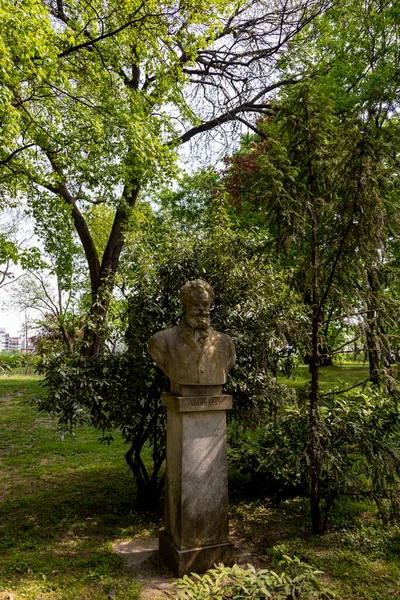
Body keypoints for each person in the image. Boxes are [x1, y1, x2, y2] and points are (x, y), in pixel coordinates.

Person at [148, 279, 236, 388]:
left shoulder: (225, 342)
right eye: (195, 304)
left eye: (205, 304)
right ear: (185, 306)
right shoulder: (161, 340)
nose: (201, 309)